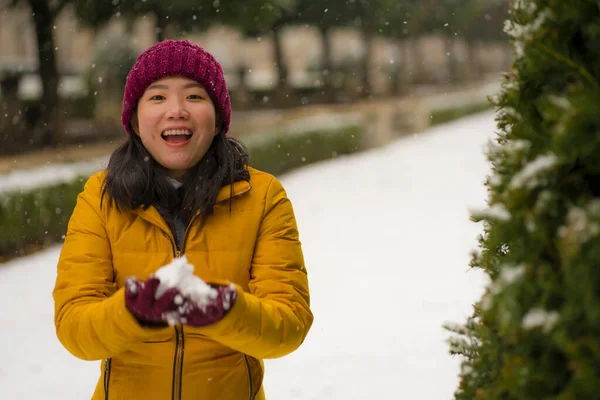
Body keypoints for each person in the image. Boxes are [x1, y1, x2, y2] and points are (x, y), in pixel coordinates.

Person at [52, 39, 313, 400]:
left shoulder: (263, 197)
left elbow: (289, 324)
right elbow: (75, 328)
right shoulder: (101, 198)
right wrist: (132, 310)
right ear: (134, 118)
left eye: (194, 96)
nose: (176, 111)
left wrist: (225, 309)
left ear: (219, 116)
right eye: (157, 97)